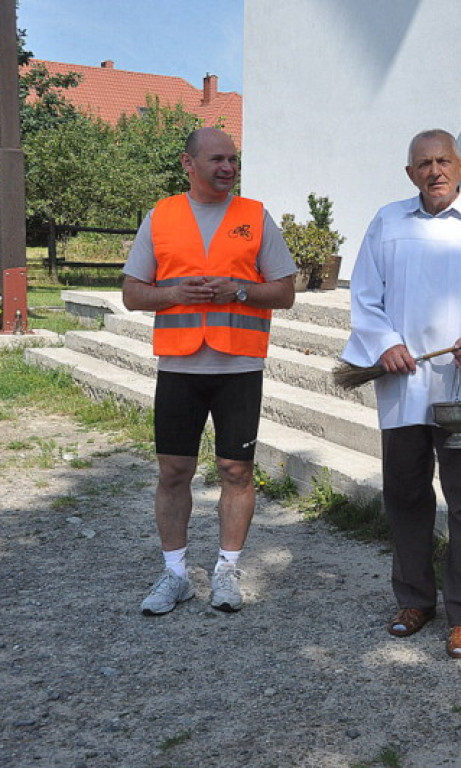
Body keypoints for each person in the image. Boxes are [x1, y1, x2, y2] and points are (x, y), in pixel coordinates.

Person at [341, 129, 461, 659]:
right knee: (405, 494)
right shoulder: (388, 222)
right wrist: (386, 344)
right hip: (404, 381)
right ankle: (415, 598)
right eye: (423, 163)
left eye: (443, 160)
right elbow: (364, 294)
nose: (434, 171)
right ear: (410, 173)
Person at [123, 127, 297, 615]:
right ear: (188, 163)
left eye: (233, 160)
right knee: (174, 470)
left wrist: (238, 290)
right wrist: (172, 294)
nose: (228, 168)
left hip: (239, 364)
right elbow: (132, 292)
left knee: (235, 469)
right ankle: (175, 574)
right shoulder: (161, 217)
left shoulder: (254, 217)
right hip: (179, 363)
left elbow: (284, 291)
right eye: (218, 159)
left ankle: (227, 569)